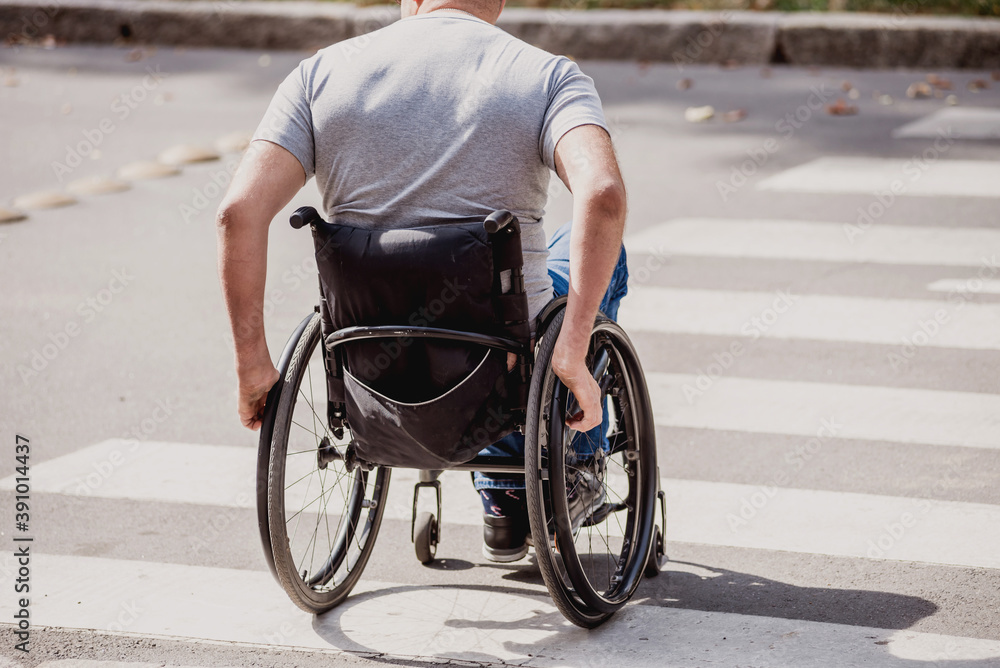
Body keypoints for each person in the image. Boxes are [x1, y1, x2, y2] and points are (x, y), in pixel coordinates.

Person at [216, 0, 628, 563]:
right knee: (601, 258)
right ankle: (555, 468)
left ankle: (506, 493)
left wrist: (252, 366)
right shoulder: (544, 75)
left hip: (369, 354)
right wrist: (574, 348)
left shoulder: (320, 75)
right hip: (502, 359)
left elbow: (237, 214)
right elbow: (602, 195)